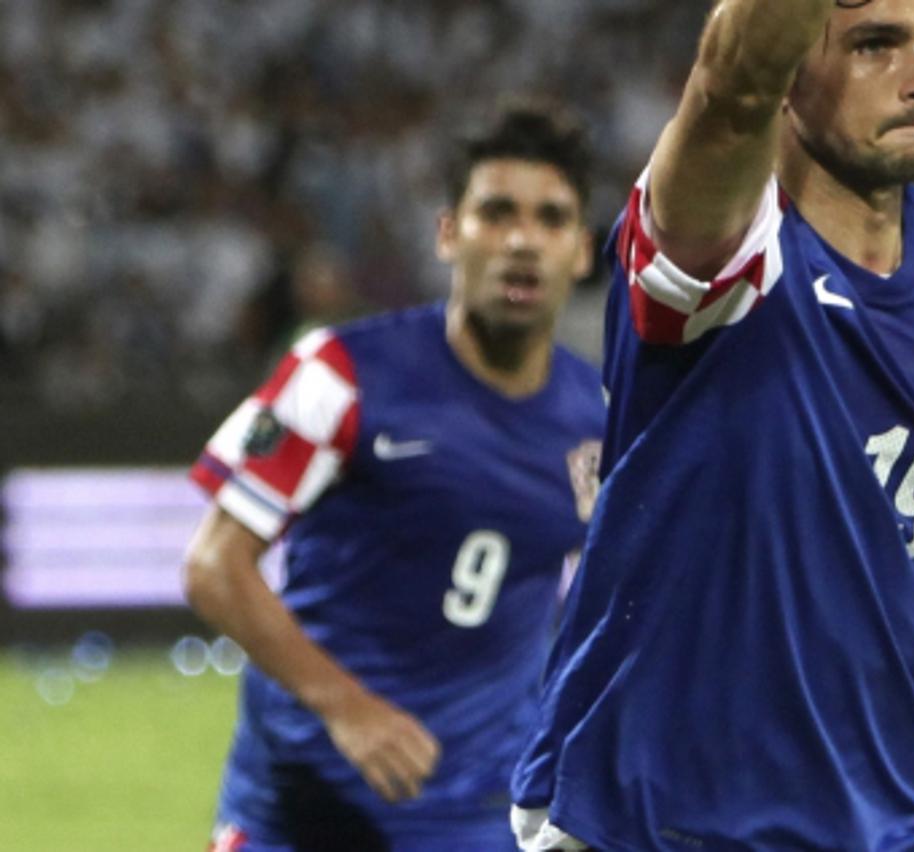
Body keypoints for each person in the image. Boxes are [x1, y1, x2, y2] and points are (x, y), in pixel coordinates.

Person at [511, 2, 914, 849]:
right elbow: (732, 91)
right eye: (874, 45)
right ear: (789, 68)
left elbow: (858, 480)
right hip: (662, 820)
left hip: (895, 819)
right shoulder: (719, 250)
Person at [182, 101, 605, 852]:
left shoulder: (596, 418)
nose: (522, 240)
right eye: (496, 213)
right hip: (304, 810)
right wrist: (347, 707)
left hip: (479, 821)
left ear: (580, 252)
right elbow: (214, 566)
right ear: (448, 233)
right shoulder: (340, 373)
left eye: (551, 219)